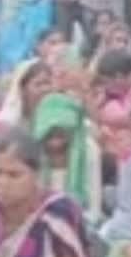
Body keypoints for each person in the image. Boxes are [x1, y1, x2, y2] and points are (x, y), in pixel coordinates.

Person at [32, 93, 104, 226]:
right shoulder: (32, 151)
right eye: (49, 133)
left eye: (61, 132)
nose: (55, 139)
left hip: (82, 223)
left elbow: (94, 208)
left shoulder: (89, 149)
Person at [0, 59, 55, 132]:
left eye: (48, 83)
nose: (45, 89)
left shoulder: (54, 117)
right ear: (22, 89)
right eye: (38, 84)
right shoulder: (8, 122)